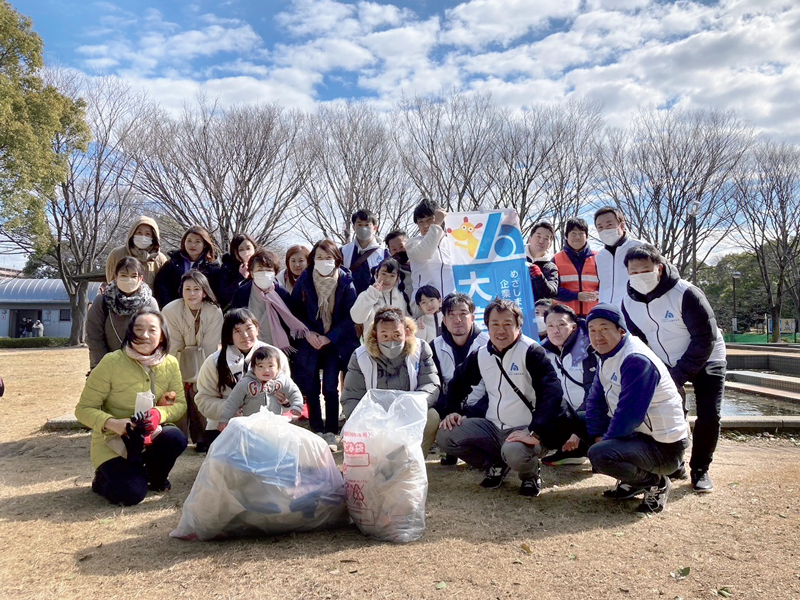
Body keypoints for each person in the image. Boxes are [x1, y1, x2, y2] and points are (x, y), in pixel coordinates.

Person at [436, 299, 580, 497]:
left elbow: (552, 393)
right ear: (487, 326)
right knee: (445, 434)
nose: (500, 330)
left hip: (526, 429)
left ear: (518, 326)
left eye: (507, 324)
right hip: (494, 425)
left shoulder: (532, 351)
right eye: (494, 324)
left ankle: (530, 475)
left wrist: (535, 433)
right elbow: (458, 382)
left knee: (515, 452)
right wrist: (453, 410)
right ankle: (496, 462)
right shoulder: (482, 354)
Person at [621, 244, 726, 493]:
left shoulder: (686, 293)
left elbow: (704, 338)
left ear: (659, 267)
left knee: (710, 414)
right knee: (667, 412)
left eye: (645, 270)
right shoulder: (628, 302)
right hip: (664, 361)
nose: (639, 276)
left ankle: (700, 469)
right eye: (633, 272)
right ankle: (674, 462)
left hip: (708, 357)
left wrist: (678, 375)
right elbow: (638, 342)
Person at [75, 307, 187, 505]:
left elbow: (180, 405)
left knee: (175, 438)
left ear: (162, 336)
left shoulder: (170, 363)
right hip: (114, 441)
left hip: (150, 437)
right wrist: (113, 423)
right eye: (138, 329)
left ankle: (155, 477)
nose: (144, 335)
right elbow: (83, 409)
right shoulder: (111, 362)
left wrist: (158, 415)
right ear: (129, 332)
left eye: (152, 330)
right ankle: (103, 479)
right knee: (131, 495)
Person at [585, 303, 690, 514]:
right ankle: (633, 480)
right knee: (577, 421)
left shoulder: (635, 359)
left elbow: (629, 415)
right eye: (592, 330)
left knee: (600, 455)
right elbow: (594, 399)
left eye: (605, 328)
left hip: (663, 446)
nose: (598, 336)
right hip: (639, 436)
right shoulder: (608, 355)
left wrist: (605, 442)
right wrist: (597, 433)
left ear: (621, 330)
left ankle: (655, 482)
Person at [341, 307, 441, 455]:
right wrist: (371, 421)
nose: (391, 341)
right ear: (375, 334)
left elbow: (431, 384)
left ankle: (413, 463)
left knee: (432, 417)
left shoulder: (420, 349)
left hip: (409, 415)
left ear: (406, 332)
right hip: (374, 420)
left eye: (396, 335)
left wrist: (410, 407)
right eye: (385, 336)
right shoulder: (360, 357)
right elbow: (351, 397)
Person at [291, 240, 359, 443]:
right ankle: (316, 428)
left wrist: (330, 337)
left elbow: (351, 316)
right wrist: (308, 333)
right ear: (313, 259)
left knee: (330, 387)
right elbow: (294, 311)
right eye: (319, 258)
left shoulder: (346, 281)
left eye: (328, 258)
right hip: (310, 341)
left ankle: (331, 429)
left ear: (336, 259)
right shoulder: (305, 280)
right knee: (311, 387)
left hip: (335, 342)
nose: (323, 262)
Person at [195, 309, 291, 452]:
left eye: (248, 328)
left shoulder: (275, 356)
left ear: (257, 329)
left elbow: (285, 393)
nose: (245, 335)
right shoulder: (213, 362)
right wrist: (230, 408)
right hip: (225, 425)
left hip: (266, 425)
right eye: (237, 331)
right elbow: (203, 399)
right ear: (229, 335)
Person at [162, 270, 223, 445]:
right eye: (187, 289)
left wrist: (199, 376)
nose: (192, 294)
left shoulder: (214, 312)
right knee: (177, 393)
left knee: (202, 390)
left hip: (205, 362)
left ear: (204, 291)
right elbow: (173, 346)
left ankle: (204, 437)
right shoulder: (170, 310)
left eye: (196, 289)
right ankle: (177, 437)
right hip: (175, 362)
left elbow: (209, 347)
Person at [431, 293, 489, 465]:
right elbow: (435, 384)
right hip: (450, 408)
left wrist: (471, 413)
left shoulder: (488, 343)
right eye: (452, 315)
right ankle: (451, 448)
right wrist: (449, 413)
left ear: (472, 317)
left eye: (463, 313)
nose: (458, 320)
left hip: (482, 409)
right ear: (444, 320)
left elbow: (494, 388)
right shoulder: (434, 346)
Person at [540, 303, 596, 465]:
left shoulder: (590, 349)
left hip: (592, 413)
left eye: (561, 324)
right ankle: (573, 451)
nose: (555, 330)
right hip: (567, 414)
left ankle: (596, 450)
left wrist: (578, 432)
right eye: (550, 326)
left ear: (573, 326)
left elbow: (594, 393)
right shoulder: (544, 352)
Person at [87, 257, 159, 370]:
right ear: (115, 277)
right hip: (108, 366)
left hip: (142, 367)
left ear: (141, 278)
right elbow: (94, 337)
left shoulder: (150, 303)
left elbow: (155, 337)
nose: (129, 279)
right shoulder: (102, 301)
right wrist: (103, 367)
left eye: (134, 276)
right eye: (124, 275)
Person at [230, 249, 308, 352]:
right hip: (248, 347)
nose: (264, 273)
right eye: (259, 270)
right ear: (252, 273)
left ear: (275, 273)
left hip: (276, 349)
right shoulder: (242, 293)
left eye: (268, 270)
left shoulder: (282, 294)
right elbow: (233, 321)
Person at [217, 345, 304, 429]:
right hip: (251, 425)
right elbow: (233, 401)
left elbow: (294, 392)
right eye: (261, 366)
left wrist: (297, 405)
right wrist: (225, 419)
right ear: (253, 368)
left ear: (278, 368)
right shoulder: (245, 383)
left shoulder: (283, 381)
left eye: (270, 366)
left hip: (275, 424)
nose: (266, 370)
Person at [153, 225, 223, 309]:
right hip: (174, 310)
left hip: (202, 312)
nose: (192, 245)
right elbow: (161, 286)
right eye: (189, 241)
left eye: (197, 241)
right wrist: (169, 305)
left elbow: (216, 293)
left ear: (204, 244)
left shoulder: (213, 267)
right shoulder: (172, 263)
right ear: (184, 242)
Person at [594, 206, 642, 306]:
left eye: (609, 225)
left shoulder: (640, 248)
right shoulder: (600, 257)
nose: (605, 230)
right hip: (607, 314)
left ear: (622, 225)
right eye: (600, 227)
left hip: (634, 313)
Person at [407, 199, 455, 297]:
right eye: (421, 222)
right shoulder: (413, 243)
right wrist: (436, 224)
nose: (425, 225)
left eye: (429, 220)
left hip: (451, 305)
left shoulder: (452, 242)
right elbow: (425, 253)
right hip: (425, 305)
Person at [105, 216, 168, 289]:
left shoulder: (160, 259)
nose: (143, 237)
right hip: (120, 299)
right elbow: (110, 279)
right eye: (139, 232)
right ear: (132, 233)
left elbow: (164, 286)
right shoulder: (116, 254)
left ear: (154, 237)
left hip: (150, 299)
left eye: (147, 234)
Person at [554, 217, 599, 317]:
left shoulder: (599, 258)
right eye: (573, 233)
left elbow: (608, 284)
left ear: (586, 236)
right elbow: (552, 290)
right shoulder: (556, 259)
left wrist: (599, 293)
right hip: (564, 317)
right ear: (566, 236)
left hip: (594, 315)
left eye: (581, 233)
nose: (577, 237)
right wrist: (576, 296)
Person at [350, 257, 411, 329]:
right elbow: (357, 319)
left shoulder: (400, 296)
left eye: (392, 276)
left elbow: (406, 322)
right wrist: (372, 294)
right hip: (373, 339)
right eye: (384, 274)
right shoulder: (367, 295)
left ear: (397, 278)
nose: (387, 279)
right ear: (376, 274)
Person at [341, 209, 388, 295]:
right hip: (350, 302)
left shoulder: (384, 252)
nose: (363, 228)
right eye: (359, 224)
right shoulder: (343, 251)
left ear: (375, 228)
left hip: (376, 301)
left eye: (367, 225)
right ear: (354, 227)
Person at [218, 233, 259, 309]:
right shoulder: (228, 267)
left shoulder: (261, 264)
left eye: (248, 248)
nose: (246, 253)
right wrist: (241, 276)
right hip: (236, 312)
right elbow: (224, 295)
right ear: (235, 252)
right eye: (241, 249)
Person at [526, 221, 559, 300]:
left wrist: (539, 277)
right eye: (538, 236)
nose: (541, 241)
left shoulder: (551, 267)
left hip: (537, 311)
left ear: (550, 244)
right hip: (513, 309)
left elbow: (552, 292)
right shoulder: (516, 257)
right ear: (530, 239)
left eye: (546, 238)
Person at [384, 230, 414, 313]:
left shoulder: (422, 263)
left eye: (401, 247)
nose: (398, 251)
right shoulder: (390, 273)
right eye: (394, 249)